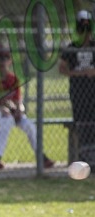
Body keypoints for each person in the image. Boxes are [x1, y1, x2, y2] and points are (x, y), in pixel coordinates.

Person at [0, 46, 55, 169]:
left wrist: (20, 111)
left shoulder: (14, 79)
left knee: (29, 124)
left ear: (10, 61)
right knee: (7, 120)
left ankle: (41, 157)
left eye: (5, 58)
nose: (2, 62)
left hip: (10, 111)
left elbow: (18, 102)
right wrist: (4, 111)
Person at [59, 10, 95, 165]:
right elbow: (62, 68)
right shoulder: (71, 47)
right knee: (81, 124)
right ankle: (84, 159)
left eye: (88, 29)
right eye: (82, 29)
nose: (85, 33)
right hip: (79, 93)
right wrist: (79, 73)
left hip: (93, 92)